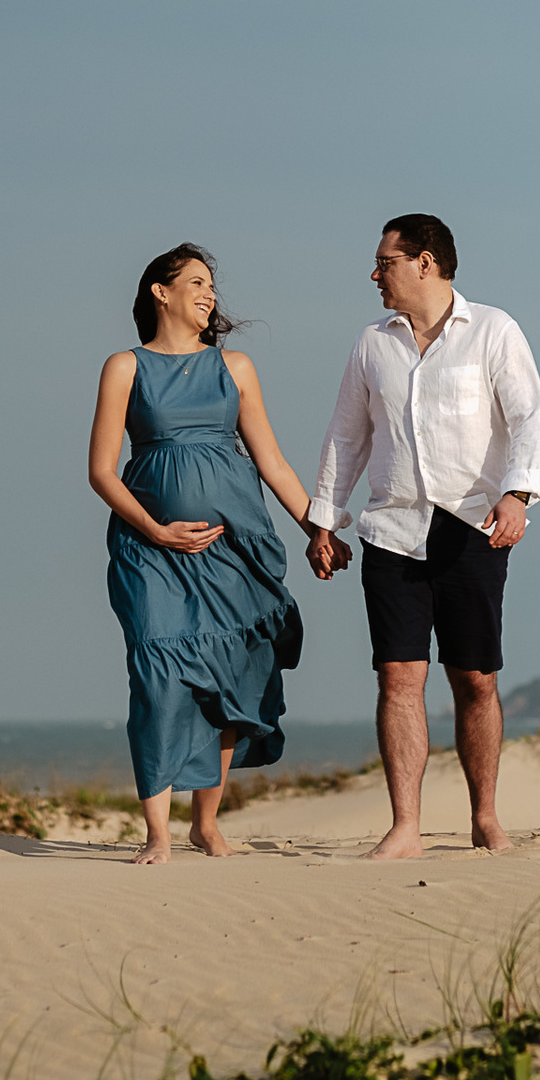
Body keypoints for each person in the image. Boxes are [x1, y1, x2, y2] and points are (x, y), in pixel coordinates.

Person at [307, 214, 540, 860]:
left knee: (474, 680)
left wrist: (518, 493)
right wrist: (323, 520)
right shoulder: (371, 344)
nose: (374, 274)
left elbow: (529, 419)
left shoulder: (494, 331)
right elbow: (346, 436)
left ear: (425, 262)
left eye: (385, 262)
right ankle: (406, 826)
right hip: (392, 529)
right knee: (398, 677)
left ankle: (485, 818)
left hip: (472, 526)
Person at [89, 243, 337, 864]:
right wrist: (155, 529)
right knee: (157, 672)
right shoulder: (125, 367)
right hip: (151, 550)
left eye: (211, 286)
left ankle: (206, 822)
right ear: (160, 292)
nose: (209, 294)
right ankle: (157, 832)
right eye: (195, 283)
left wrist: (318, 526)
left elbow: (272, 463)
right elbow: (102, 472)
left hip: (232, 547)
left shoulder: (237, 368)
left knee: (233, 671)